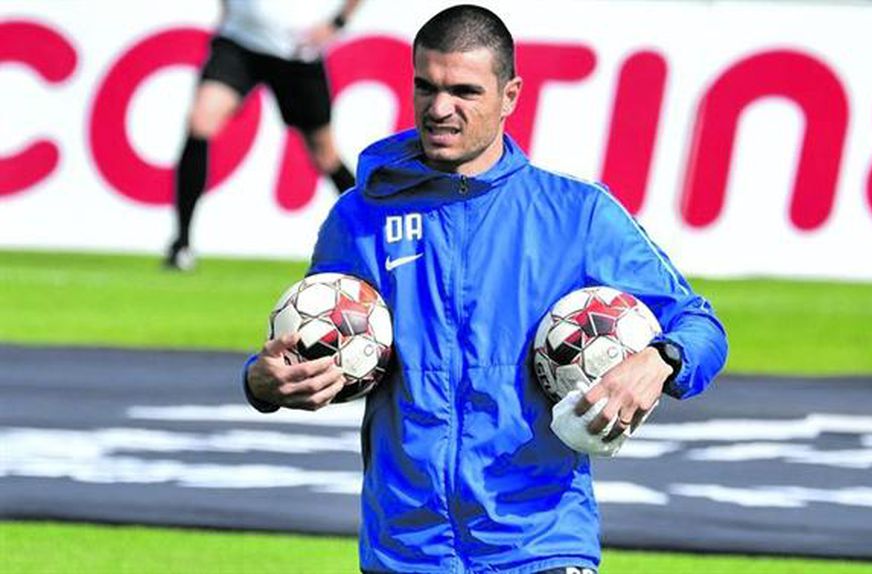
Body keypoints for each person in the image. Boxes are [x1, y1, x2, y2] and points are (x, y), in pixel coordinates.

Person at [244, 5, 728, 573]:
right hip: (406, 551)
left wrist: (661, 360)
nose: (439, 108)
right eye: (426, 87)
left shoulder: (578, 214)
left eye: (464, 91)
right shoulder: (360, 217)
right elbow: (316, 345)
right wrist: (262, 382)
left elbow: (700, 326)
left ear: (510, 96)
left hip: (539, 546)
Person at [165, 0, 363, 271]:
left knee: (325, 155)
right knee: (201, 121)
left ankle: (373, 232)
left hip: (297, 52)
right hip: (240, 42)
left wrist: (337, 22)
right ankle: (181, 243)